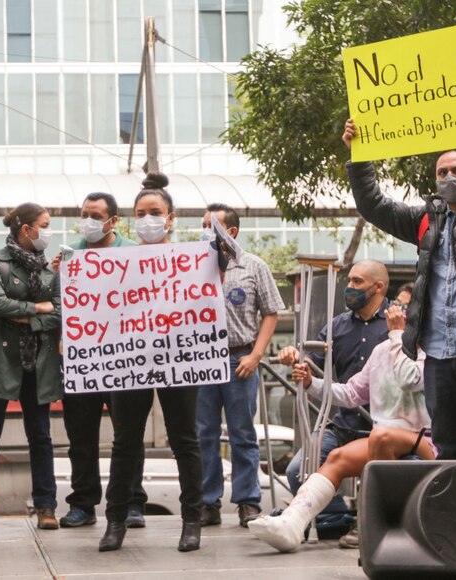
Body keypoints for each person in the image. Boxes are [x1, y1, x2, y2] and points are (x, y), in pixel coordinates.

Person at [342, 95, 456, 459]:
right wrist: (359, 155)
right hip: (438, 355)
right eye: (442, 173)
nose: (449, 177)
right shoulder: (425, 221)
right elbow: (374, 205)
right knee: (447, 448)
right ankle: (455, 516)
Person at [251, 304, 434, 552]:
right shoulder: (382, 351)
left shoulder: (433, 353)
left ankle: (373, 524)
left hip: (426, 439)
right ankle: (292, 524)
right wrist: (310, 383)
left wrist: (397, 336)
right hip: (384, 436)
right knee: (337, 457)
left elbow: (410, 378)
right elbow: (350, 393)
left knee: (380, 436)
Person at [99, 172, 203, 553]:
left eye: (155, 212)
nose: (147, 219)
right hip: (129, 363)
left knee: (184, 439)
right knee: (125, 441)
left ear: (170, 217)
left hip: (179, 360)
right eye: (140, 213)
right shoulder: (115, 263)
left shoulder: (192, 260)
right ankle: (115, 521)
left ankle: (192, 520)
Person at [51, 192, 148, 529]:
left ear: (113, 221)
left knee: (128, 434)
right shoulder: (69, 254)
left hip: (124, 360)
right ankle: (83, 503)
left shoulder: (135, 253)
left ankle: (132, 502)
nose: (88, 220)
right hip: (83, 360)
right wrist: (56, 278)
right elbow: (60, 305)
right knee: (80, 436)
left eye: (95, 214)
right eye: (84, 214)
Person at [277, 259, 391, 548]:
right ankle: (336, 518)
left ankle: (360, 524)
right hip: (344, 422)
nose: (349, 288)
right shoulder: (337, 327)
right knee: (296, 471)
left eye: (357, 282)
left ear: (378, 287)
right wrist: (297, 363)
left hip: (382, 427)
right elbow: (310, 366)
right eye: (349, 280)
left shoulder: (397, 325)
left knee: (378, 476)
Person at [197, 203, 284, 528]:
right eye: (203, 225)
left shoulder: (253, 266)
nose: (205, 231)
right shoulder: (192, 266)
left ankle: (248, 501)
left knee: (243, 434)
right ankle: (208, 502)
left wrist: (255, 355)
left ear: (230, 232)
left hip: (240, 358)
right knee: (204, 433)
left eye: (211, 226)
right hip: (203, 359)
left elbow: (271, 312)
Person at [0, 202, 63, 530]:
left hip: (38, 363)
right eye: (44, 224)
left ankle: (46, 506)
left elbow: (58, 311)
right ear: (26, 229)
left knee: (40, 435)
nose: (48, 232)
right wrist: (37, 308)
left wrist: (28, 315)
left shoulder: (47, 269)